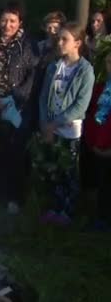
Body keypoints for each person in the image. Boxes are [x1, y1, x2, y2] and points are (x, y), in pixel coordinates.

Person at [0, 1, 37, 215]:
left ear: (20, 21)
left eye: (12, 20)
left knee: (15, 152)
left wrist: (12, 99)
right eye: (4, 19)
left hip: (15, 106)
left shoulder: (28, 44)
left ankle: (14, 197)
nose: (7, 24)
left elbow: (31, 76)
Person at [39, 22, 94, 225]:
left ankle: (67, 211)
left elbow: (81, 105)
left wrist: (55, 124)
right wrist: (45, 124)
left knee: (68, 172)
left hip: (70, 132)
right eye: (59, 38)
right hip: (50, 129)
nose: (59, 42)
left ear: (77, 43)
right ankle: (54, 207)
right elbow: (44, 96)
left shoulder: (85, 70)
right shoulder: (55, 66)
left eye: (65, 39)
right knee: (53, 170)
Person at [83, 43, 111, 231]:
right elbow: (92, 115)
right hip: (98, 145)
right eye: (109, 61)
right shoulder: (101, 87)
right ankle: (101, 218)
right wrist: (93, 142)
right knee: (103, 183)